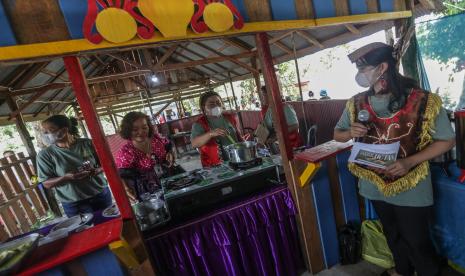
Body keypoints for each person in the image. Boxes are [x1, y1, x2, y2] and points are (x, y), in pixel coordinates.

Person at [334, 42, 455, 276]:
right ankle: (402, 271)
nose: (360, 75)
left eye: (364, 69)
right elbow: (337, 135)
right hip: (373, 184)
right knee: (393, 235)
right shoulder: (356, 102)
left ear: (382, 68)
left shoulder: (423, 101)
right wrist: (350, 133)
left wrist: (409, 162)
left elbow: (446, 141)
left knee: (417, 242)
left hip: (411, 185)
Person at [37, 115, 112, 217]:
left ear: (64, 130)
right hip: (74, 204)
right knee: (86, 231)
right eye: (44, 132)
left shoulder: (88, 143)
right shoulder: (45, 155)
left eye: (49, 131)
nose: (45, 134)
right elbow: (46, 183)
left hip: (100, 195)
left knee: (110, 224)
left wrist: (95, 171)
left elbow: (107, 164)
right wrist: (66, 177)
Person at [116, 112, 175, 201]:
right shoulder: (126, 152)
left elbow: (169, 146)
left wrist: (171, 153)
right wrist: (126, 189)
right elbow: (121, 176)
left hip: (169, 181)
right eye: (135, 129)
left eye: (144, 127)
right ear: (128, 130)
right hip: (147, 192)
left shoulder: (156, 139)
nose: (141, 132)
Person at [191, 91, 242, 167]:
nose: (216, 106)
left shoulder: (229, 118)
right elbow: (194, 144)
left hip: (237, 159)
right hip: (214, 165)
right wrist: (210, 134)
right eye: (211, 104)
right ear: (203, 107)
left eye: (218, 102)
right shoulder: (199, 124)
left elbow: (238, 136)